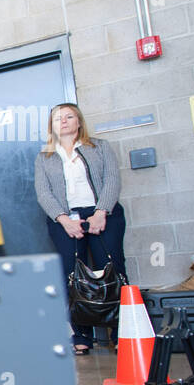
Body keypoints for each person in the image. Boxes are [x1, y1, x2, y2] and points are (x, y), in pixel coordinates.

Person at [33, 102, 127, 355]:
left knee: (112, 269)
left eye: (68, 117)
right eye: (57, 118)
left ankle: (122, 332)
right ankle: (81, 335)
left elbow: (112, 180)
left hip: (102, 215)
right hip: (66, 221)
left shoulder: (99, 147)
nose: (62, 121)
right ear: (50, 126)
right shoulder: (45, 157)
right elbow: (43, 193)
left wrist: (101, 212)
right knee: (71, 275)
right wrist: (63, 219)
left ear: (79, 122)